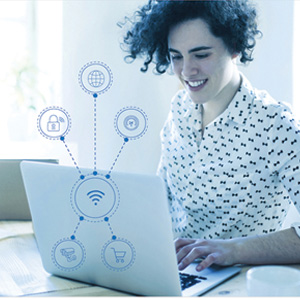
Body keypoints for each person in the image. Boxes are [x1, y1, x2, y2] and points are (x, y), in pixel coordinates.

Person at [120, 0, 300, 272]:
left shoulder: (275, 125)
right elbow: (159, 204)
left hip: (238, 283)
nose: (186, 70)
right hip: (177, 275)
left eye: (201, 55)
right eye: (177, 56)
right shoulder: (178, 112)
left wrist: (233, 249)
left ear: (234, 48)